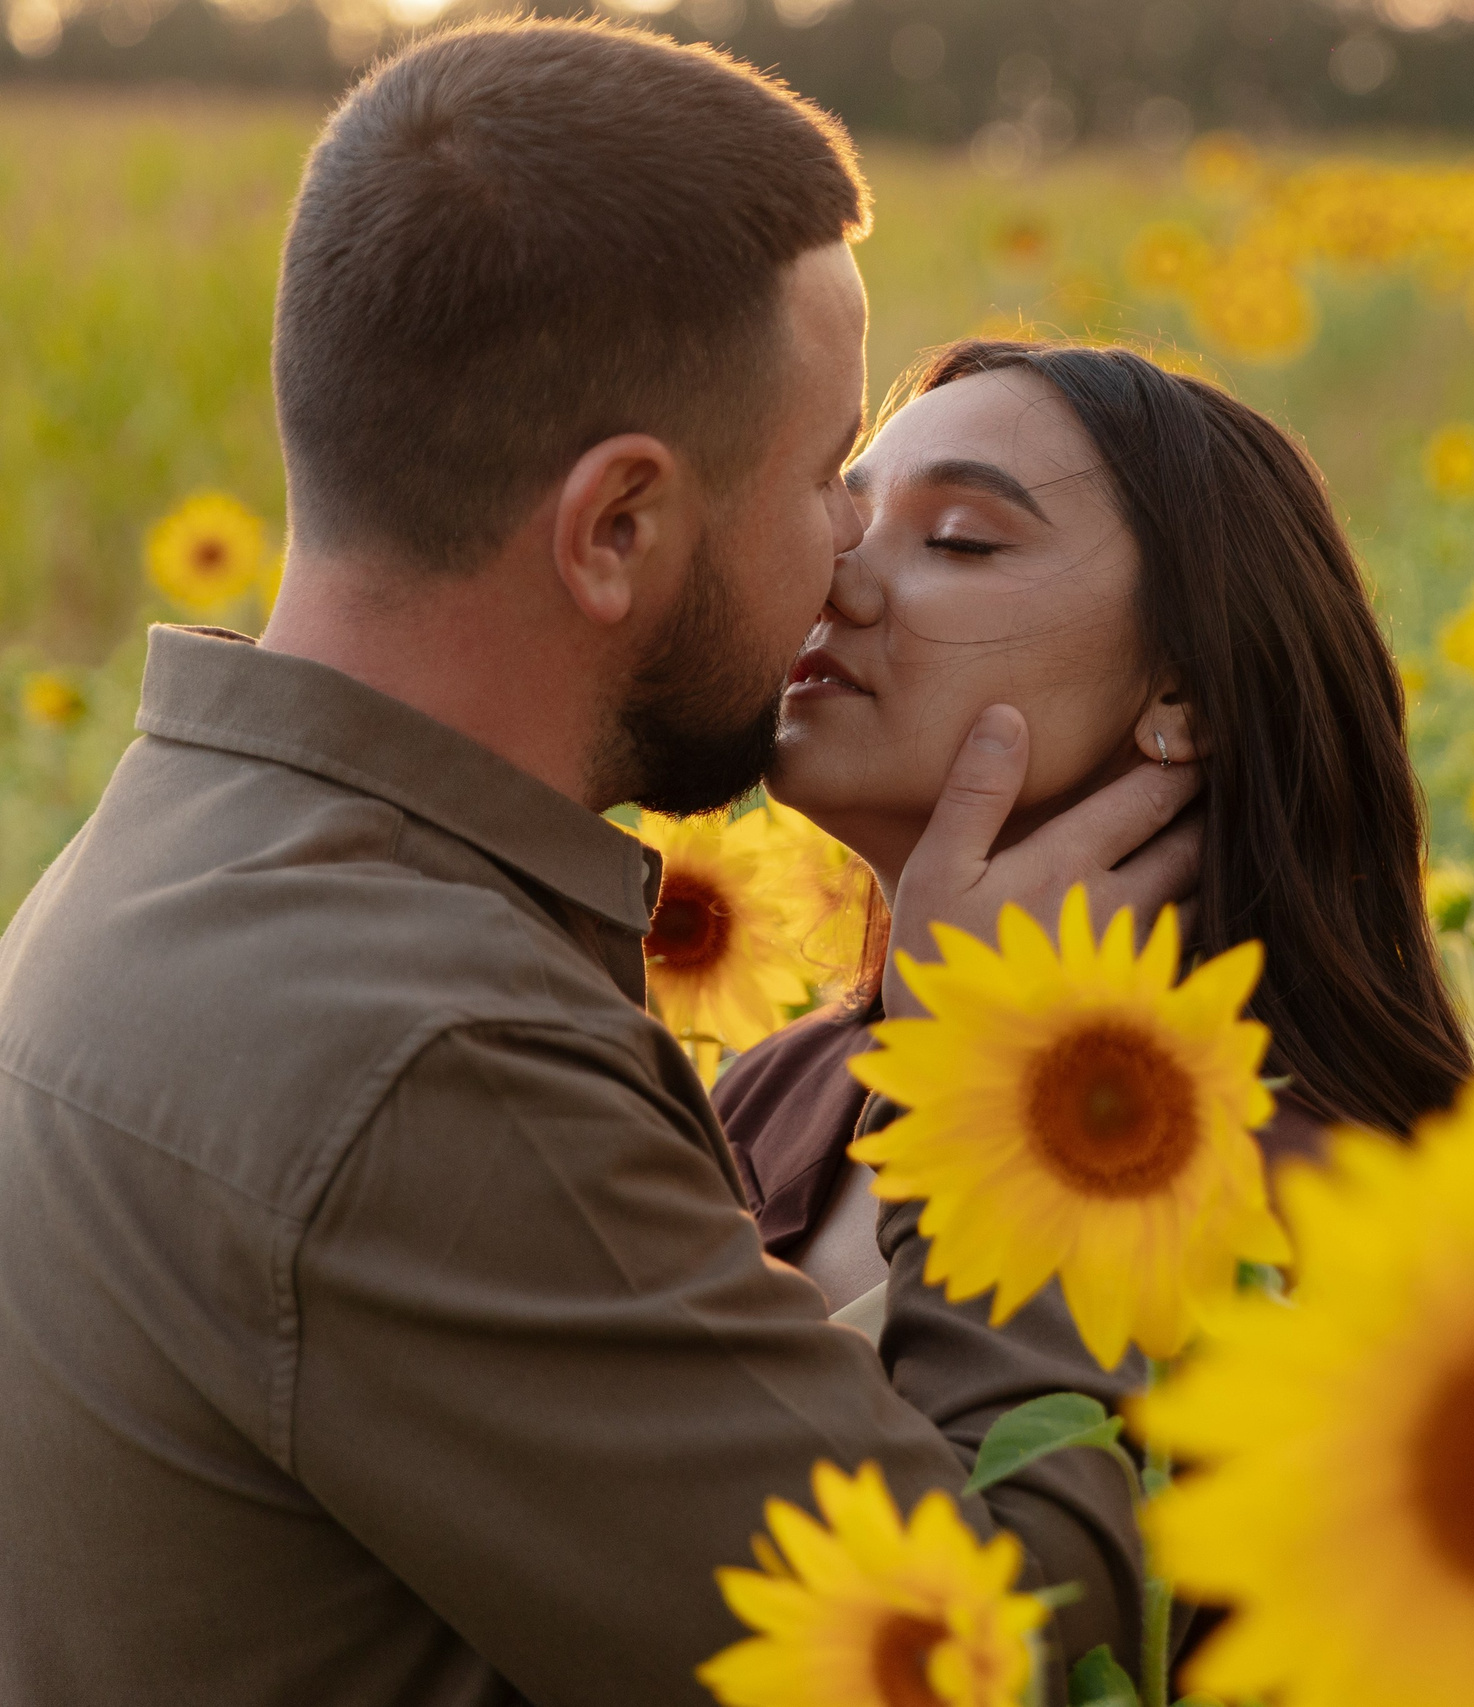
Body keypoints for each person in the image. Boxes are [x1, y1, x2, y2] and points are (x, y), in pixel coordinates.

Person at [0, 22, 1196, 1705]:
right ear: (616, 527)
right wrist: (1019, 1082)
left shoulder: (181, 868)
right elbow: (981, 1658)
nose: (850, 555)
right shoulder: (423, 1051)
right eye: (822, 477)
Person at [710, 338, 1474, 1325]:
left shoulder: (1310, 1204)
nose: (830, 578)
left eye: (956, 539)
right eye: (843, 518)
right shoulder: (782, 1089)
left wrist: (987, 1066)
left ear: (1179, 691)